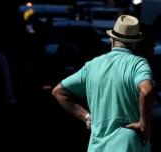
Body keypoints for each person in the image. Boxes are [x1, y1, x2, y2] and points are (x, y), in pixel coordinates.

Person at [52, 15, 154, 151]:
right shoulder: (138, 64)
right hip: (127, 145)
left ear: (111, 39)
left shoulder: (92, 65)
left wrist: (87, 116)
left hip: (97, 147)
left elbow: (58, 91)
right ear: (135, 42)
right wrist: (144, 123)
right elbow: (146, 91)